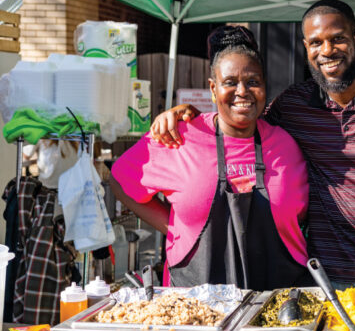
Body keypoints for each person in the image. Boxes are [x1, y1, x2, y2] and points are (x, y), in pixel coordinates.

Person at [152, 0, 355, 290]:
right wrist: (186, 116)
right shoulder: (292, 106)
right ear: (306, 49)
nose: (328, 50)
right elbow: (239, 114)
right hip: (326, 281)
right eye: (316, 42)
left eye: (338, 38)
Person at [110, 26, 310, 290]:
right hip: (196, 310)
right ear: (213, 89)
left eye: (253, 81)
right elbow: (120, 180)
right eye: (230, 82)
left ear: (264, 84)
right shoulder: (178, 137)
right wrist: (172, 226)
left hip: (280, 304)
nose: (243, 91)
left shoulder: (287, 144)